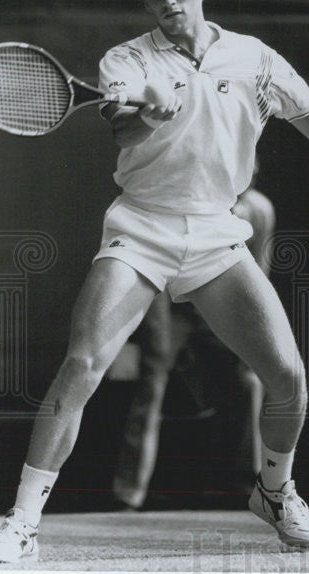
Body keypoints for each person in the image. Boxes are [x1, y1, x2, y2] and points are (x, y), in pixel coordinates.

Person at [0, 0, 309, 563]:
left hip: (216, 232)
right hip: (142, 227)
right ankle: (21, 521)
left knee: (289, 379)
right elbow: (120, 128)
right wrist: (150, 110)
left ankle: (275, 491)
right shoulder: (128, 61)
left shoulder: (254, 57)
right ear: (146, 2)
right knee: (81, 366)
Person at [111, 186, 275, 511]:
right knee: (152, 380)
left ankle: (249, 486)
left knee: (249, 380)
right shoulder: (180, 196)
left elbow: (257, 274)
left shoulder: (259, 208)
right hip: (169, 302)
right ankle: (128, 494)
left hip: (220, 305)